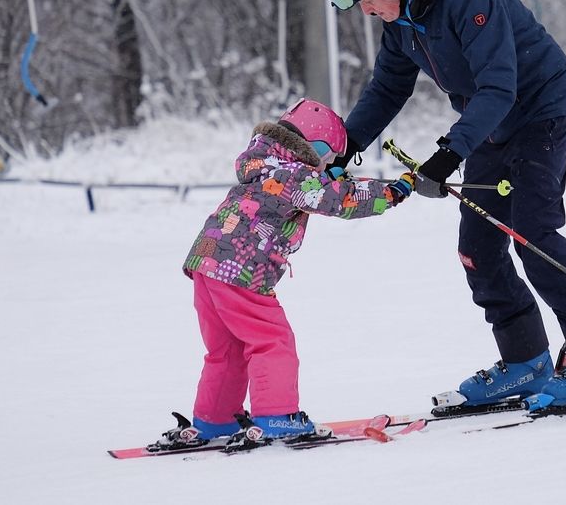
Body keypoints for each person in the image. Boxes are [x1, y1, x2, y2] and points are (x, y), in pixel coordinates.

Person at [320, 0, 566, 407]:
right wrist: (346, 144)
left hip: (540, 109)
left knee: (532, 233)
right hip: (489, 121)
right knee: (477, 246)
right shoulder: (399, 18)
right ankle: (526, 360)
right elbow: (388, 88)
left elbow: (499, 87)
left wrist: (448, 153)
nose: (366, 10)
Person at [152, 98, 415, 453]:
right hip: (240, 269)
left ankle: (216, 418)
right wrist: (392, 192)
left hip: (207, 262)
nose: (328, 166)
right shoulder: (295, 175)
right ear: (315, 147)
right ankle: (276, 416)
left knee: (227, 348)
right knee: (272, 341)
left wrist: (325, 178)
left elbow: (310, 187)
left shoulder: (265, 162)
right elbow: (342, 200)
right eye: (328, 158)